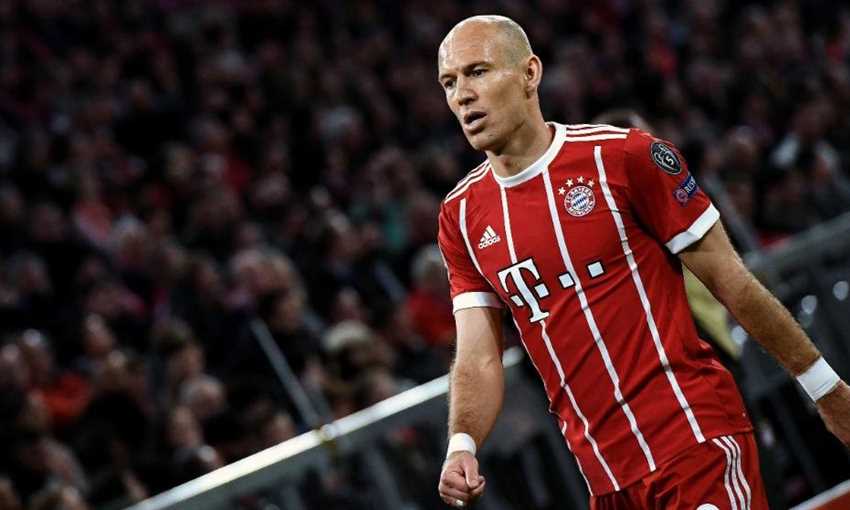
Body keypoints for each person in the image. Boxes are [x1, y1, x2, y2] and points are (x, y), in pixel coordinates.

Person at [435, 15, 850, 510]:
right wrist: (461, 445)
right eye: (449, 82)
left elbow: (732, 282)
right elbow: (478, 356)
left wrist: (827, 389)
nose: (463, 95)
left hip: (696, 441)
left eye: (477, 72)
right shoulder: (461, 216)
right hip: (608, 480)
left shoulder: (625, 157)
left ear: (530, 73)